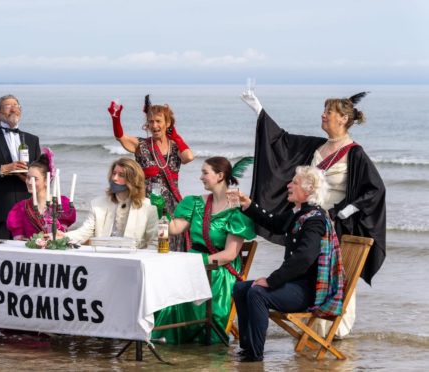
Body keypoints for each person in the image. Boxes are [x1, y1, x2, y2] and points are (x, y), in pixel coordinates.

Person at [241, 90, 386, 338]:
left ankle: (335, 331)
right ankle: (311, 327)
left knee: (333, 273)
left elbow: (375, 189)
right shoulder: (316, 146)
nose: (323, 115)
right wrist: (260, 111)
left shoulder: (355, 153)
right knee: (307, 271)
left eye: (328, 112)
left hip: (335, 226)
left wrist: (340, 212)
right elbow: (282, 143)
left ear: (342, 118)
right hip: (309, 220)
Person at [231, 166, 344, 362]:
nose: (288, 185)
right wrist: (248, 204)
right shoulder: (299, 212)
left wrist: (272, 280)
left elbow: (304, 258)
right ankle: (248, 348)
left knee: (257, 293)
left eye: (295, 182)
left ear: (308, 190)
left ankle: (254, 356)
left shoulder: (314, 220)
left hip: (306, 291)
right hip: (292, 285)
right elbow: (273, 223)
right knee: (241, 288)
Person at [151, 156, 256, 345]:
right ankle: (166, 335)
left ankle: (196, 336)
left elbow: (229, 255)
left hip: (219, 268)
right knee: (165, 280)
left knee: (198, 280)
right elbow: (173, 229)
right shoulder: (196, 203)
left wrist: (196, 264)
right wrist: (161, 211)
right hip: (192, 262)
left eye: (205, 172)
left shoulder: (236, 206)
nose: (201, 177)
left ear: (220, 176)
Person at [108, 96, 194, 251]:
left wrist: (174, 134)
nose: (154, 125)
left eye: (159, 121)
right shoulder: (141, 145)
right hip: (146, 205)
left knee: (171, 248)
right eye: (151, 121)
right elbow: (120, 137)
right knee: (148, 246)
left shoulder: (176, 146)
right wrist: (116, 118)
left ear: (167, 123)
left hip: (171, 206)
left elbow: (189, 157)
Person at [0, 94, 41, 239]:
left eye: (16, 106)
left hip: (28, 212)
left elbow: (42, 174)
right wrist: (4, 169)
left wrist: (27, 176)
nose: (13, 109)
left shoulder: (33, 140)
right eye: (8, 106)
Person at [61, 158, 158, 250]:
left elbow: (154, 242)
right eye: (114, 173)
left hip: (133, 259)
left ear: (133, 180)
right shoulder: (97, 204)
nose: (114, 178)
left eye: (121, 175)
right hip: (103, 257)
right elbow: (84, 232)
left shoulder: (149, 207)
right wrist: (62, 237)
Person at [6, 148, 76, 239]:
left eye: (35, 179)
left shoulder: (62, 204)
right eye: (28, 178)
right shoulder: (20, 209)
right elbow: (18, 241)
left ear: (46, 181)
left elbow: (63, 235)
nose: (29, 182)